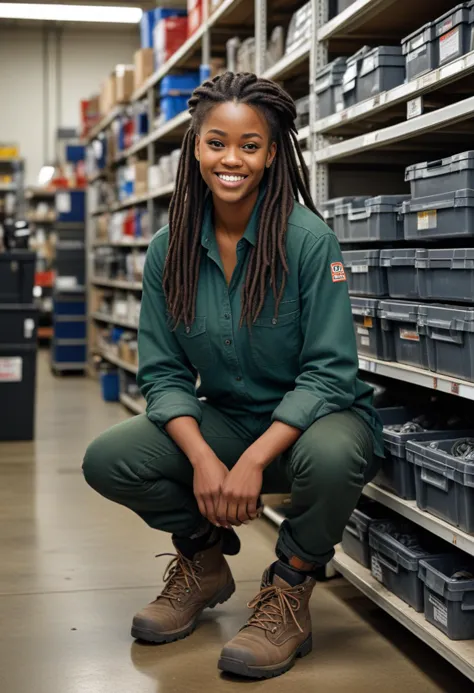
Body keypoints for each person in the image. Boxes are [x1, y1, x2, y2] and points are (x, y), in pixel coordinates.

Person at [83, 71, 383, 680]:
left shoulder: (308, 241)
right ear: (195, 147)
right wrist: (203, 458)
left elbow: (329, 374)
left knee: (333, 455)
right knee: (109, 458)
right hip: (226, 418)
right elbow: (163, 373)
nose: (232, 159)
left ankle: (291, 586)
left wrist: (249, 462)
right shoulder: (168, 250)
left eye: (250, 146)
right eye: (217, 142)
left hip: (315, 426)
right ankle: (203, 560)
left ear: (273, 155)